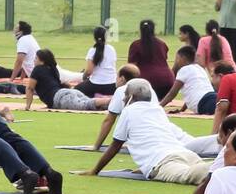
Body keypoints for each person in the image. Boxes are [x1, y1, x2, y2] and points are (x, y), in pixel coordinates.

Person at [82, 78, 211, 185]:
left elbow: (115, 146)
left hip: (163, 162)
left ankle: (218, 170)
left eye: (125, 95)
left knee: (189, 175)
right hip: (186, 153)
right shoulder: (157, 109)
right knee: (200, 169)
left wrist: (94, 170)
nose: (123, 99)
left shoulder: (128, 111)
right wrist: (143, 166)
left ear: (131, 97)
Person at [25, 49, 110, 112]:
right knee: (93, 104)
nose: (34, 60)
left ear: (42, 61)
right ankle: (110, 103)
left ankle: (110, 100)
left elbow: (30, 88)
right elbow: (60, 84)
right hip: (68, 93)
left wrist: (27, 106)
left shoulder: (37, 69)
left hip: (60, 98)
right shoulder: (52, 69)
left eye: (36, 58)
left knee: (87, 104)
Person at [160, 46, 216, 115]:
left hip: (204, 103)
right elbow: (192, 92)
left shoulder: (184, 70)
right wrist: (182, 110)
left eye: (177, 58)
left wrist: (158, 107)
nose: (176, 61)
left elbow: (172, 93)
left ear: (182, 58)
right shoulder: (200, 68)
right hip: (212, 97)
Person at [126, 20, 174, 99]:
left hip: (146, 82)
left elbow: (131, 68)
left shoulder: (136, 45)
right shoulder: (162, 44)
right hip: (167, 80)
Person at [76, 25, 117, 97]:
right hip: (112, 85)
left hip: (96, 85)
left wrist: (83, 77)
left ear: (94, 37)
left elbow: (89, 71)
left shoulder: (92, 50)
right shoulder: (111, 49)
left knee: (75, 90)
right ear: (105, 37)